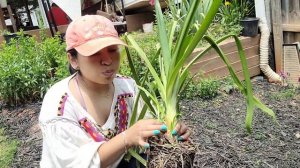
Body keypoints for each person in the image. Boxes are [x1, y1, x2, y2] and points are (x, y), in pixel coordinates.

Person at [39, 15, 191, 168]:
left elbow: (148, 125)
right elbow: (73, 164)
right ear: (73, 60)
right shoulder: (60, 105)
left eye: (112, 50)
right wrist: (126, 138)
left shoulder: (127, 87)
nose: (107, 60)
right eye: (95, 52)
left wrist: (169, 130)